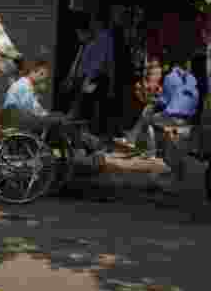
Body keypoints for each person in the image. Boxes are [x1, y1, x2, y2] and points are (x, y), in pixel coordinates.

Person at [114, 55, 199, 189]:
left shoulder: (170, 78)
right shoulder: (191, 78)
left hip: (172, 118)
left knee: (148, 114)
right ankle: (141, 144)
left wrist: (154, 99)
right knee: (173, 146)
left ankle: (141, 144)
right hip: (188, 119)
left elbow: (164, 101)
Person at [63, 16, 115, 135]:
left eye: (80, 34)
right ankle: (81, 132)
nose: (78, 37)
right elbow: (78, 63)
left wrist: (88, 79)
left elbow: (97, 64)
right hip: (84, 78)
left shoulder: (101, 39)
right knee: (80, 108)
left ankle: (89, 135)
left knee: (86, 109)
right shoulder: (88, 43)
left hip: (90, 79)